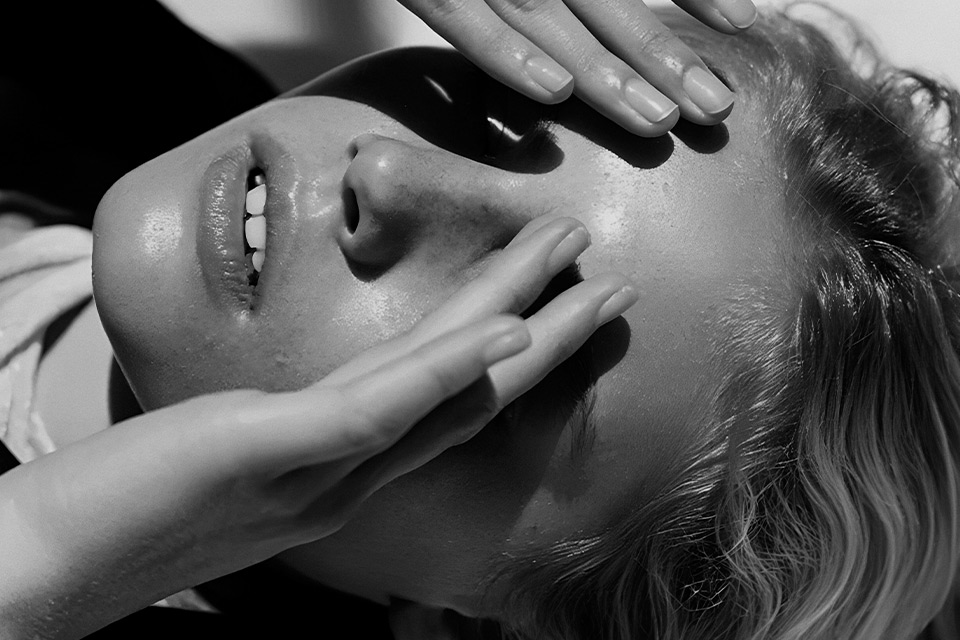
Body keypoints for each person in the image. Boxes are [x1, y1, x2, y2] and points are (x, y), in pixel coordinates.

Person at [3, 3, 960, 640]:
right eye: (497, 111)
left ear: (469, 623)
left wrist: (41, 552)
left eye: (509, 332)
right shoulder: (120, 80)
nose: (385, 174)